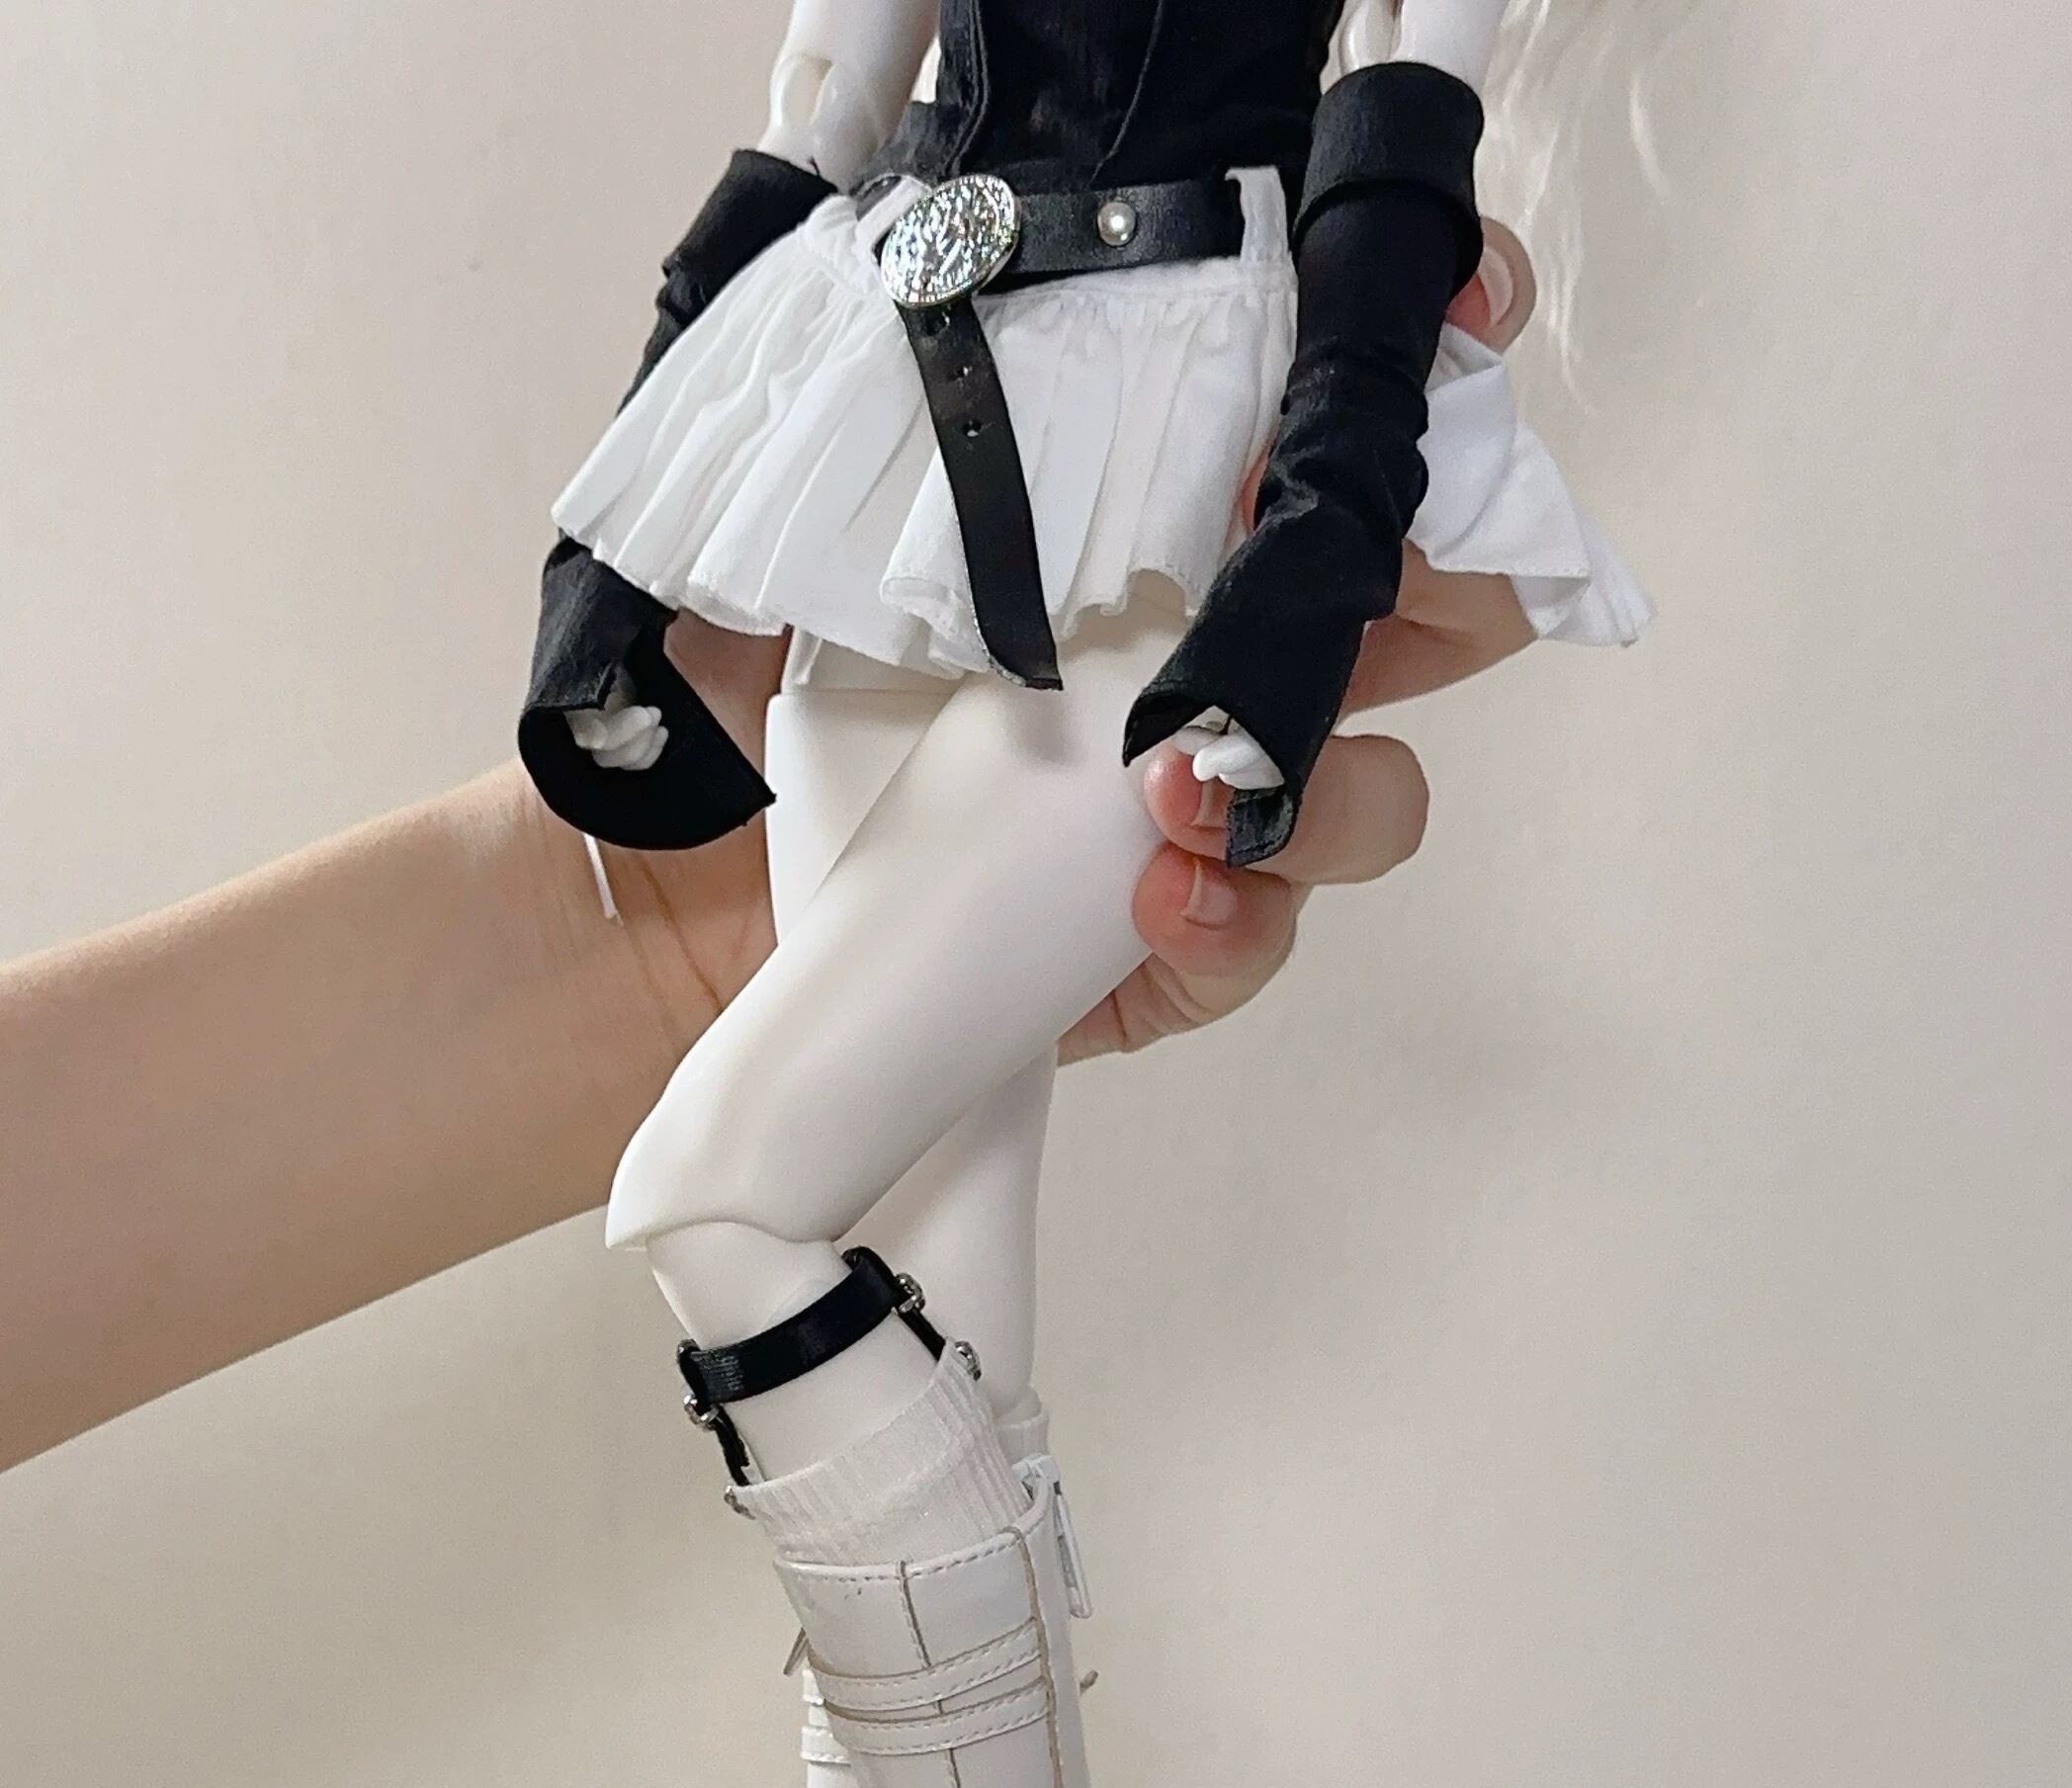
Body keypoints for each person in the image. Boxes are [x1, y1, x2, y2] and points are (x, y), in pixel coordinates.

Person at [507, 1, 1649, 1788]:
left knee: (727, 1205)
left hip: (1182, 429)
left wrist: (1333, 505)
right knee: (920, 1389)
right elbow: (833, 67)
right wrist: (634, 466)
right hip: (880, 413)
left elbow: (1411, 89)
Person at [0, 544, 1527, 1477]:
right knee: (807, 1286)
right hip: (950, 690)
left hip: (931, 720)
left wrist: (663, 940)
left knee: (940, 1374)